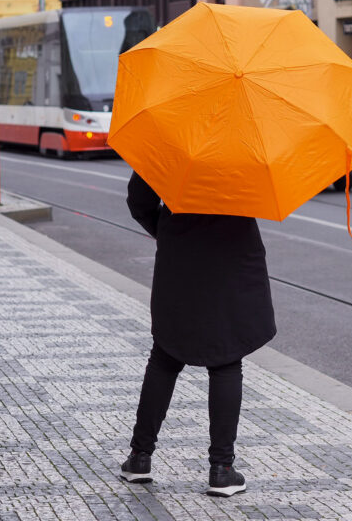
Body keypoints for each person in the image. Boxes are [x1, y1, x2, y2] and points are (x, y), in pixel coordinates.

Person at [120, 172, 277, 497]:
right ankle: (221, 470)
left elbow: (139, 201)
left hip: (181, 256)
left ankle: (139, 458)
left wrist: (168, 231)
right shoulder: (246, 142)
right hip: (232, 255)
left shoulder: (169, 137)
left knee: (165, 354)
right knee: (227, 358)